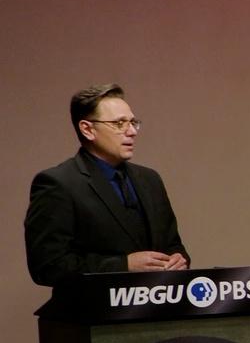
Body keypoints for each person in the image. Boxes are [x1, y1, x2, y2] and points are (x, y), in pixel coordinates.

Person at [25, 84, 189, 287]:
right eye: (119, 123)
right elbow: (47, 266)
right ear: (87, 129)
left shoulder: (150, 179)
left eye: (133, 122)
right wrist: (123, 265)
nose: (131, 131)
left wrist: (178, 259)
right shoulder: (59, 183)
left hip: (156, 310)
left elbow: (173, 244)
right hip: (94, 314)